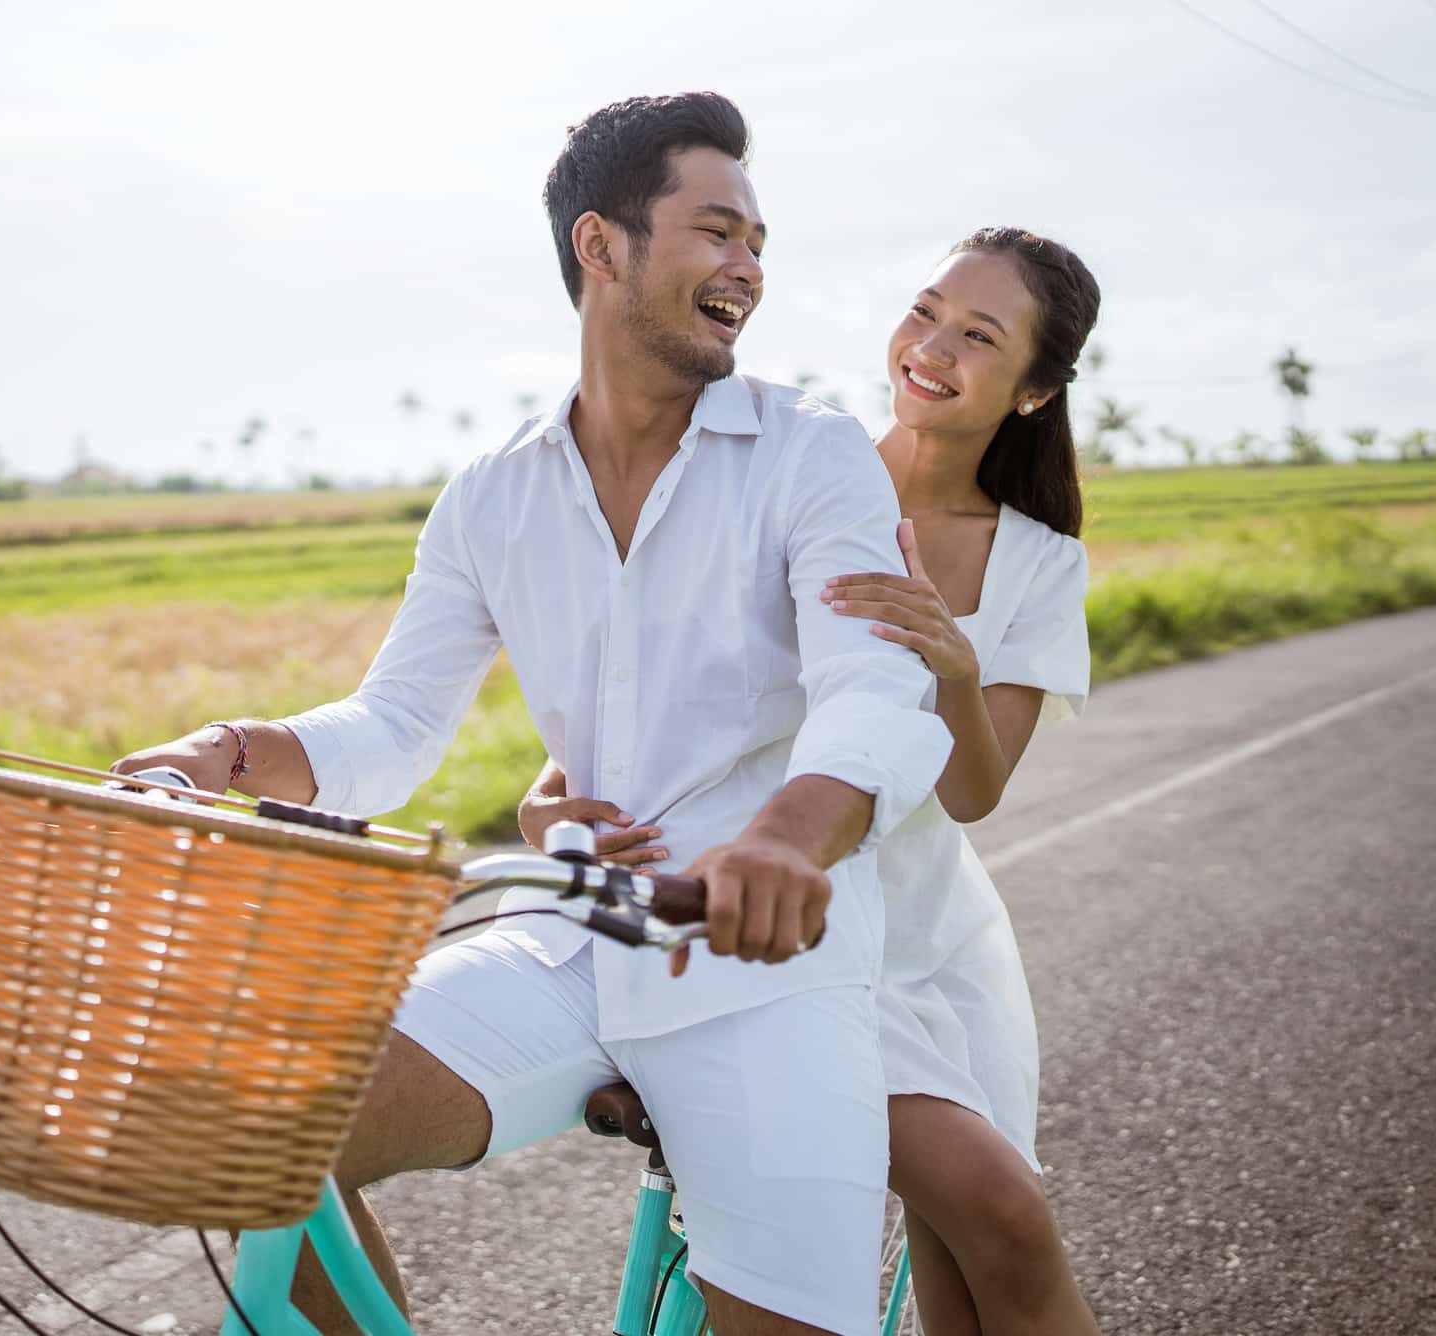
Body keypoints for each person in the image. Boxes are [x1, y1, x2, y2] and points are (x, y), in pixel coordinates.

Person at [113, 92, 953, 1335]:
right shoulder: (491, 494)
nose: (748, 268)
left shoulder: (808, 454)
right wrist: (222, 753)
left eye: (758, 243)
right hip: (577, 933)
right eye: (716, 233)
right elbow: (391, 727)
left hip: (763, 965)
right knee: (247, 1129)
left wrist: (780, 840)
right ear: (599, 246)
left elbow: (872, 687)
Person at [519, 226, 1105, 1334]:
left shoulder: (1038, 559)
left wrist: (954, 659)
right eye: (925, 310)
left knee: (978, 1258)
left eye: (977, 336)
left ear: (1032, 392)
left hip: (935, 940)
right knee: (1001, 1216)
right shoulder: (789, 470)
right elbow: (653, 678)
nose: (929, 347)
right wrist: (550, 795)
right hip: (786, 926)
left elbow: (973, 795)